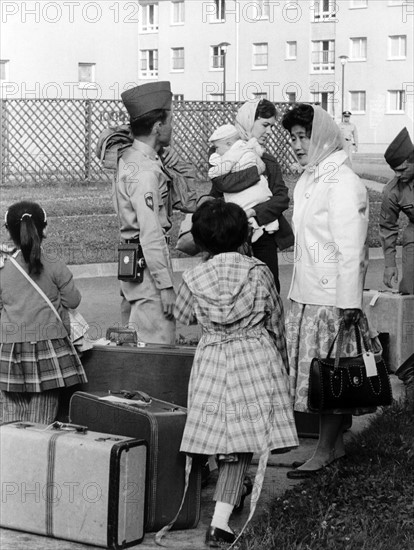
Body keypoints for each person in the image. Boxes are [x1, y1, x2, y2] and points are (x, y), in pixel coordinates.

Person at [174, 199, 298, 547]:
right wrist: (283, 367)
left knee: (216, 432)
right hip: (253, 358)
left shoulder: (194, 276)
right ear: (244, 234)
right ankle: (220, 522)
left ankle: (225, 497)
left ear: (200, 241)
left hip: (213, 358)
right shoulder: (258, 272)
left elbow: (183, 316)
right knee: (240, 443)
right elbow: (275, 320)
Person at [281, 104, 373, 479]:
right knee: (323, 377)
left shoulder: (343, 181)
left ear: (322, 136)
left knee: (329, 377)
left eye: (305, 137)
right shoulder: (310, 177)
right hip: (308, 293)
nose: (299, 145)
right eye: (294, 138)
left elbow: (352, 249)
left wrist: (349, 302)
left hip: (332, 298)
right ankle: (332, 448)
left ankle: (323, 451)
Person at [0, 201, 87, 424]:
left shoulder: (3, 267)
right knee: (41, 423)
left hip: (10, 350)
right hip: (51, 350)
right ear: (44, 229)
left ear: (9, 232)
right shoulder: (54, 263)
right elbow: (73, 300)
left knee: (10, 423)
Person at [208, 98, 294, 294]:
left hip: (265, 238)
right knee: (234, 294)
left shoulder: (267, 160)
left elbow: (281, 198)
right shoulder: (223, 155)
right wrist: (255, 174)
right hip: (232, 238)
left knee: (268, 290)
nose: (269, 132)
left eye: (272, 126)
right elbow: (219, 188)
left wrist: (254, 212)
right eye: (265, 125)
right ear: (248, 121)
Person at [115, 81, 177, 344]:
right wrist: (165, 286)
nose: (173, 126)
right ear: (157, 126)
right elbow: (151, 233)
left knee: (132, 346)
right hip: (148, 270)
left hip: (132, 267)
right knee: (157, 350)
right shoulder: (146, 172)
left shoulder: (129, 157)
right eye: (170, 120)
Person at [380, 127, 414, 408]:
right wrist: (390, 264)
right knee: (411, 295)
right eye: (396, 170)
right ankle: (409, 368)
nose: (400, 174)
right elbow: (388, 227)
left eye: (403, 168)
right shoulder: (392, 189)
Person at [208, 123, 279, 243]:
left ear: (229, 144)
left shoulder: (232, 154)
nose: (216, 151)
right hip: (262, 192)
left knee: (239, 206)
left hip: (250, 195)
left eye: (217, 148)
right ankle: (268, 225)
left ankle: (255, 227)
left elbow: (221, 172)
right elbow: (259, 160)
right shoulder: (249, 147)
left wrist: (214, 171)